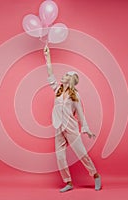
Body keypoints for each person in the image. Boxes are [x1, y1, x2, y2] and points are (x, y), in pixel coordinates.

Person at [43, 45, 101, 192]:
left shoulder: (75, 96)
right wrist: (48, 57)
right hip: (59, 127)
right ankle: (68, 182)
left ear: (70, 80)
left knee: (82, 154)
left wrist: (86, 128)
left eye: (65, 76)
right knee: (60, 157)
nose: (61, 77)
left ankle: (95, 175)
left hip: (71, 128)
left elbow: (81, 115)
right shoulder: (57, 90)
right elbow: (50, 74)